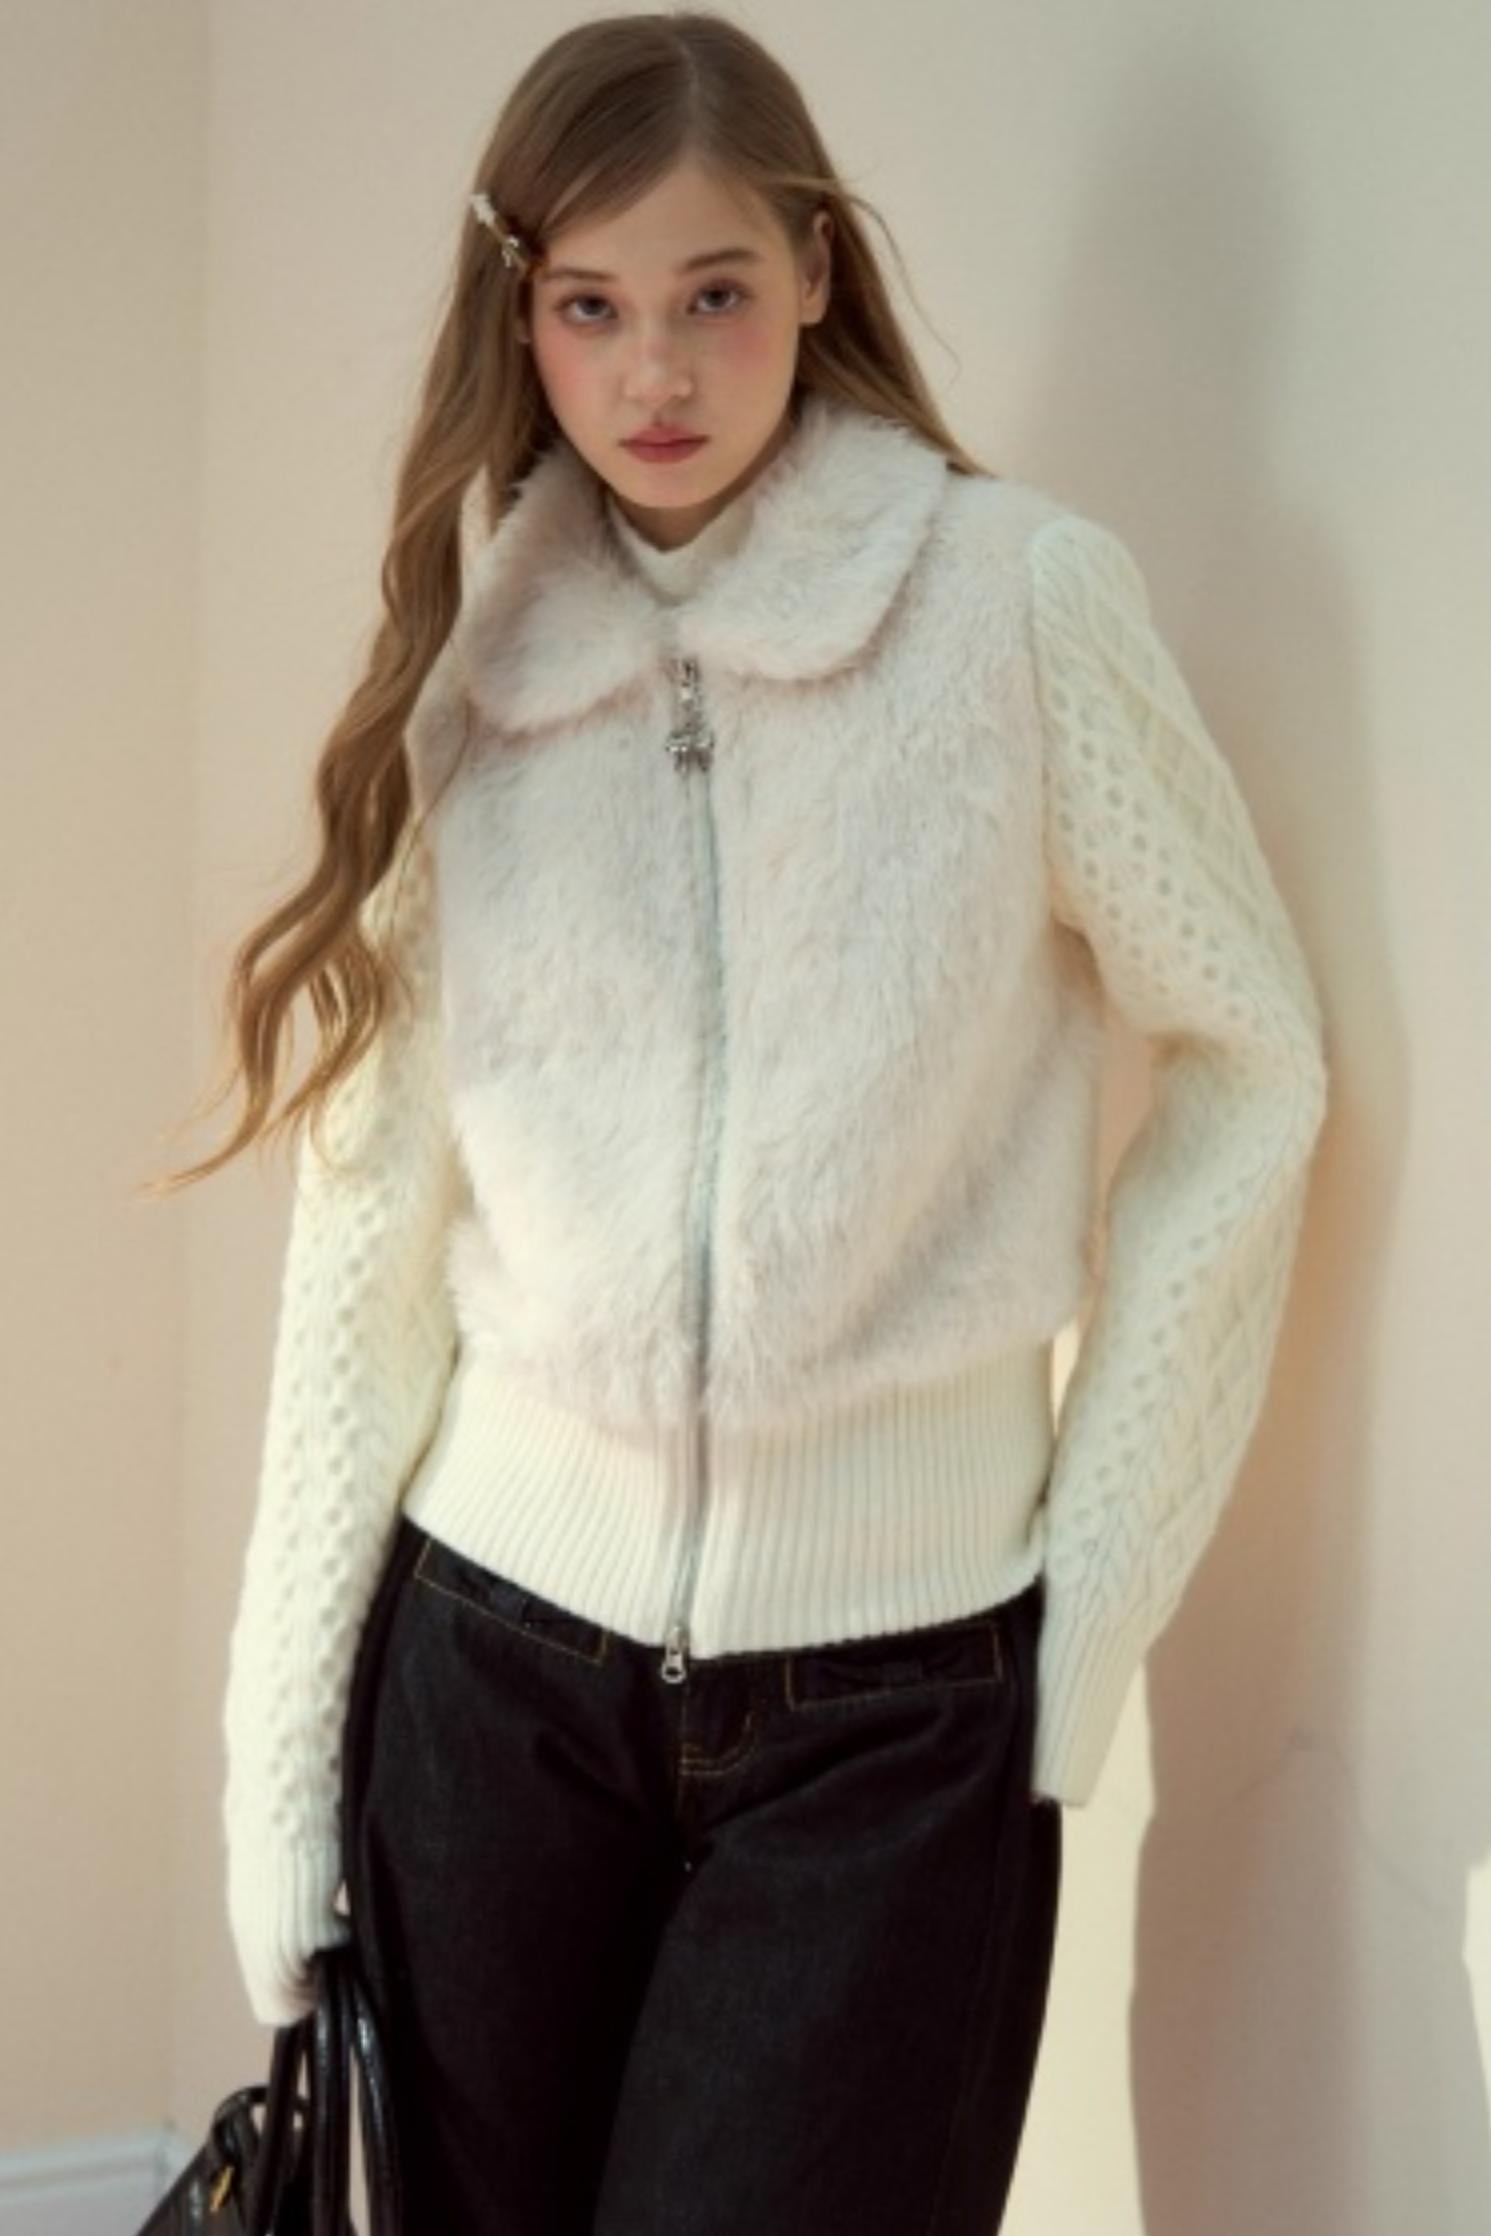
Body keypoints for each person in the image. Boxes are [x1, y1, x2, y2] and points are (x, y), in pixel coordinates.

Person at [152, 11, 1330, 2231]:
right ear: (521, 316)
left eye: (711, 292)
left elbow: (1252, 1062)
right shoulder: (477, 665)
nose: (656, 372)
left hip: (893, 1711)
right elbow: (367, 1231)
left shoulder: (1013, 606)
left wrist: (1083, 1608)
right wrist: (276, 1762)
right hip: (489, 1678)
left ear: (812, 268)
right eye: (590, 308)